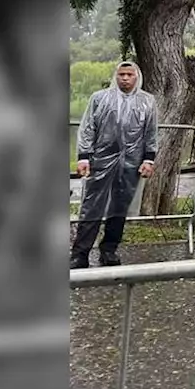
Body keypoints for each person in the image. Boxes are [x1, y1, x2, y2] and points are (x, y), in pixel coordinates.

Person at [72, 61, 158, 269]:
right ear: (116, 76)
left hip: (130, 164)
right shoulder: (100, 98)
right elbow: (88, 128)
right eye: (122, 74)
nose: (125, 78)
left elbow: (151, 132)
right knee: (92, 207)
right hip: (100, 162)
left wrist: (148, 159)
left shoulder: (148, 102)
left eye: (129, 74)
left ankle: (109, 250)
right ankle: (79, 254)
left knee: (119, 208)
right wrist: (84, 156)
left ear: (137, 77)